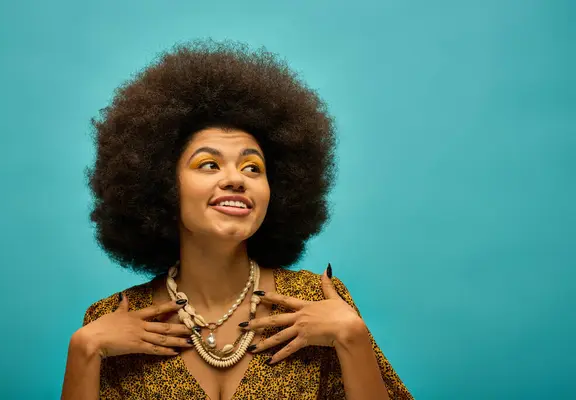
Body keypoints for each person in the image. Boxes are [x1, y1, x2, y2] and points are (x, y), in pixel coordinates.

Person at [61, 39, 412, 400]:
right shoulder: (110, 322)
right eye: (209, 164)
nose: (236, 179)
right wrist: (85, 350)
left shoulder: (315, 304)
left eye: (252, 168)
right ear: (162, 184)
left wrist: (352, 337)